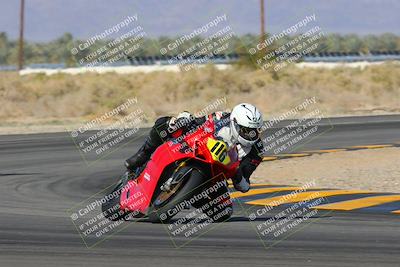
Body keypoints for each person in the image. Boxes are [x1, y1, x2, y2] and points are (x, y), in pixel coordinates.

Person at [125, 103, 265, 193]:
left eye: (254, 131)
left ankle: (188, 194)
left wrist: (238, 174)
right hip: (199, 149)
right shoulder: (223, 117)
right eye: (246, 130)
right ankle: (143, 154)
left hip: (214, 176)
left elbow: (243, 185)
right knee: (168, 124)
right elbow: (199, 122)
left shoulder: (256, 152)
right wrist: (185, 119)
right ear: (235, 123)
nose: (250, 135)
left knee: (224, 212)